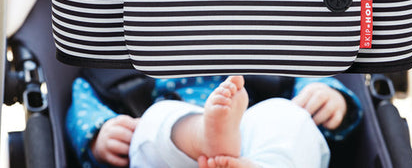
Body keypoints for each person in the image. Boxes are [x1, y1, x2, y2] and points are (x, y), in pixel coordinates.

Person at [66, 74, 362, 168]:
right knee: (155, 122)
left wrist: (328, 96)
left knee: (288, 115)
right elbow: (82, 98)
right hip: (177, 153)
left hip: (254, 139)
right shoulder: (125, 65)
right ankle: (202, 135)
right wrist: (99, 131)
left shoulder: (274, 40)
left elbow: (313, 70)